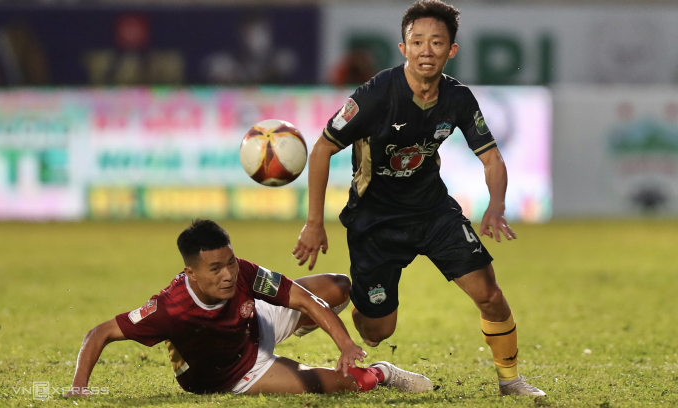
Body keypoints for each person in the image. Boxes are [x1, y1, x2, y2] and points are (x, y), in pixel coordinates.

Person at [293, 0, 545, 397]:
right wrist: (313, 223)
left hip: (432, 212)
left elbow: (492, 157)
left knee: (489, 293)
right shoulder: (375, 94)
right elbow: (323, 148)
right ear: (403, 48)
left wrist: (496, 206)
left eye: (437, 43)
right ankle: (359, 300)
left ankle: (510, 381)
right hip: (374, 221)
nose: (427, 51)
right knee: (377, 332)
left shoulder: (458, 98)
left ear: (452, 51)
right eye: (418, 42)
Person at [65, 219, 431, 397]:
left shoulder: (244, 272)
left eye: (230, 263)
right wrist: (79, 390)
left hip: (256, 322)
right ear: (189, 272)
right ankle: (385, 372)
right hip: (238, 372)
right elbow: (100, 333)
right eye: (216, 268)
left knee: (338, 286)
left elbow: (304, 297)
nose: (227, 275)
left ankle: (300, 328)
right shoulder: (169, 308)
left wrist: (346, 345)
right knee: (344, 385)